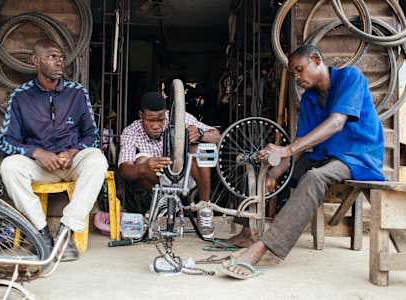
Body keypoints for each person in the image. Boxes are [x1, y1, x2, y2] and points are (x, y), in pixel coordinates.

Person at [222, 45, 384, 279]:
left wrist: (287, 149)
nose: (297, 78)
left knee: (315, 177)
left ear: (317, 60)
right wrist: (274, 173)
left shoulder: (350, 77)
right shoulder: (309, 98)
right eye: (293, 73)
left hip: (359, 156)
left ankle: (262, 248)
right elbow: (302, 142)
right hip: (326, 155)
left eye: (299, 70)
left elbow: (337, 122)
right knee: (268, 170)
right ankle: (247, 230)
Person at [0, 39, 108, 261]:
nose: (59, 62)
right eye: (52, 56)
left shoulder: (77, 93)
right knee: (9, 166)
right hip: (40, 166)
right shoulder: (21, 96)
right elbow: (5, 141)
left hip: (71, 163)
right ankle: (41, 234)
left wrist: (74, 151)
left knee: (97, 160)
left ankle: (65, 233)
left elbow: (93, 136)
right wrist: (38, 153)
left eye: (61, 57)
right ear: (36, 61)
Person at [118, 91, 221, 238]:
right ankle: (159, 206)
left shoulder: (180, 119)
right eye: (150, 120)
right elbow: (124, 169)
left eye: (160, 120)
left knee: (199, 149)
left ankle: (205, 207)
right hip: (156, 181)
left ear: (165, 113)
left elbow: (217, 136)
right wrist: (144, 167)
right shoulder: (131, 132)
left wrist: (200, 134)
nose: (156, 126)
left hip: (186, 176)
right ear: (141, 115)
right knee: (141, 161)